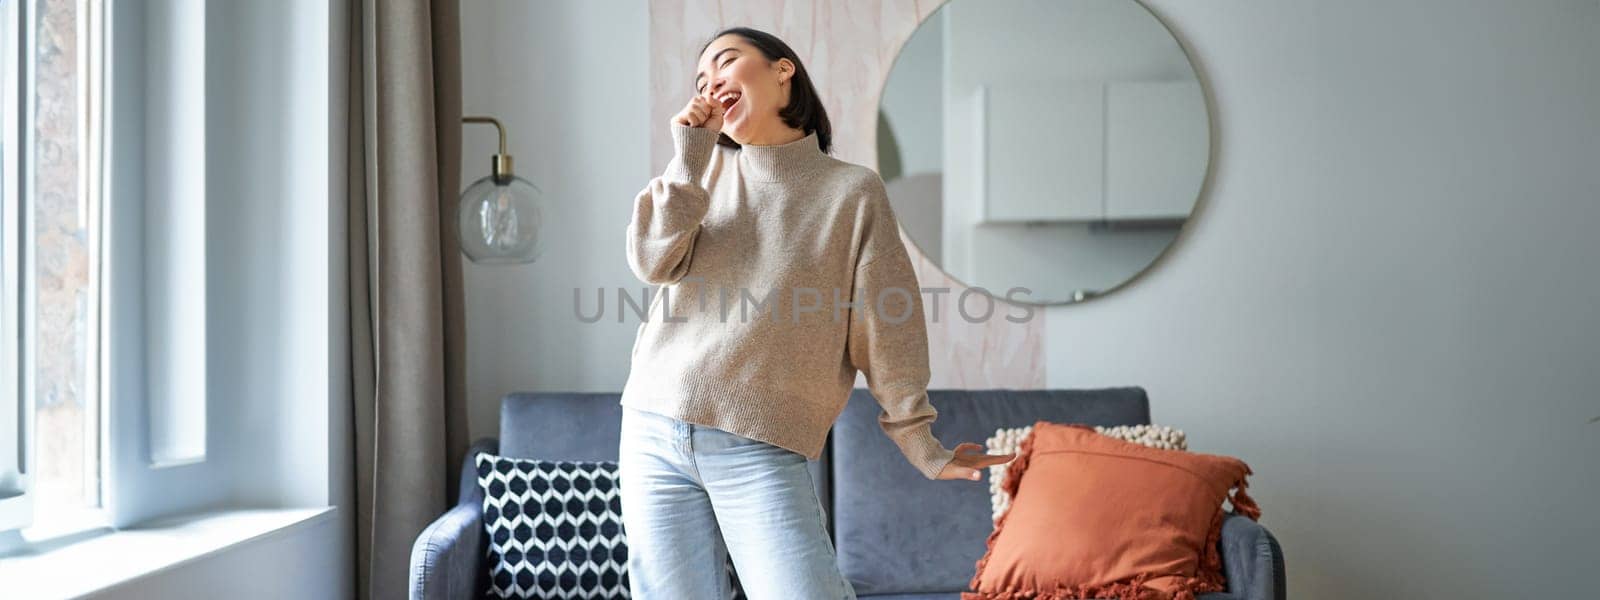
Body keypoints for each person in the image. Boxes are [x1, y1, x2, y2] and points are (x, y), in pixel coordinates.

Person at [617, 26, 1015, 599]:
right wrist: (688, 162)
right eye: (701, 80)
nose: (711, 84)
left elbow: (886, 324)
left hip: (759, 442)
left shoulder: (852, 192)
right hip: (652, 428)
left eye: (726, 63)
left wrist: (921, 443)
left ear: (783, 71)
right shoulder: (699, 173)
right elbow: (652, 260)